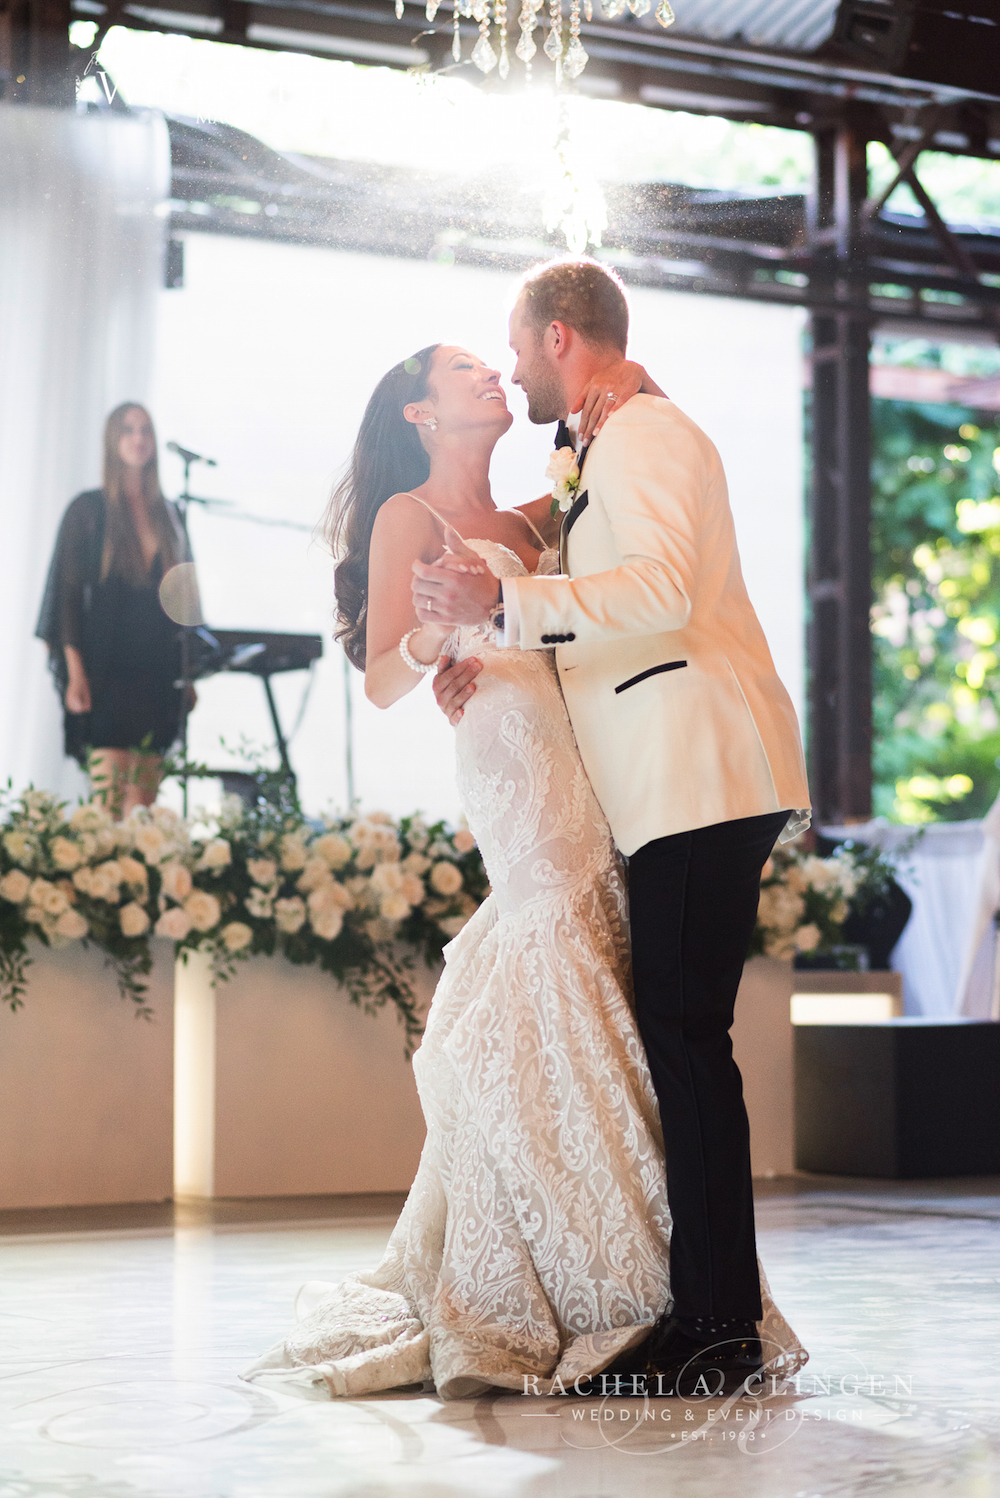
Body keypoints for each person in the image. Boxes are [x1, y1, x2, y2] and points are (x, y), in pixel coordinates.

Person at [242, 342, 805, 1401]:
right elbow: (380, 677)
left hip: (596, 763)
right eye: (465, 370)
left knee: (615, 979)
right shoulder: (407, 514)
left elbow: (600, 567)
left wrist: (631, 382)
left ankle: (658, 1277)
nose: (491, 376)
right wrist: (438, 645)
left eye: (496, 361)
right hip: (511, 763)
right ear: (418, 412)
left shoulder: (536, 518)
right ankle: (608, 1276)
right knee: (556, 948)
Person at [418, 258, 812, 1391]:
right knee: (682, 1046)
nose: (510, 369)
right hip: (672, 784)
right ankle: (709, 1315)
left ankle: (717, 1330)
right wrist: (483, 656)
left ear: (560, 336)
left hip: (697, 773)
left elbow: (659, 592)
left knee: (688, 1045)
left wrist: (501, 603)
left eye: (515, 344)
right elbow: (593, 598)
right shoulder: (607, 440)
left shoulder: (647, 434)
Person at [36, 403, 194, 818]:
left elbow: (183, 603)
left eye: (145, 429)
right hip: (105, 671)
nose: (138, 438)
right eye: (128, 429)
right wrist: (75, 674)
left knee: (143, 811)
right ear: (112, 440)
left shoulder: (170, 514)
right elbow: (66, 597)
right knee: (107, 806)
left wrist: (189, 675)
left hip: (156, 672)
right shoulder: (87, 510)